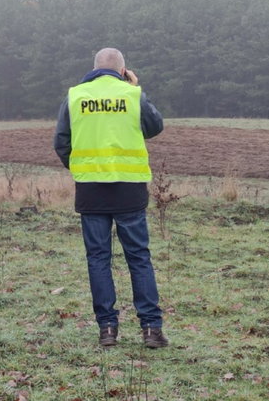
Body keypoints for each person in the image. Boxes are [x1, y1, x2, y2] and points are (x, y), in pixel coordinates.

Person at [53, 48, 168, 348]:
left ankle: (107, 330)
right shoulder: (131, 94)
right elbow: (155, 126)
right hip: (129, 188)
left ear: (93, 68)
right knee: (139, 258)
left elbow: (61, 143)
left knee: (98, 260)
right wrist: (133, 88)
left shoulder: (75, 96)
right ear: (122, 69)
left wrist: (80, 168)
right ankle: (151, 330)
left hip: (91, 190)